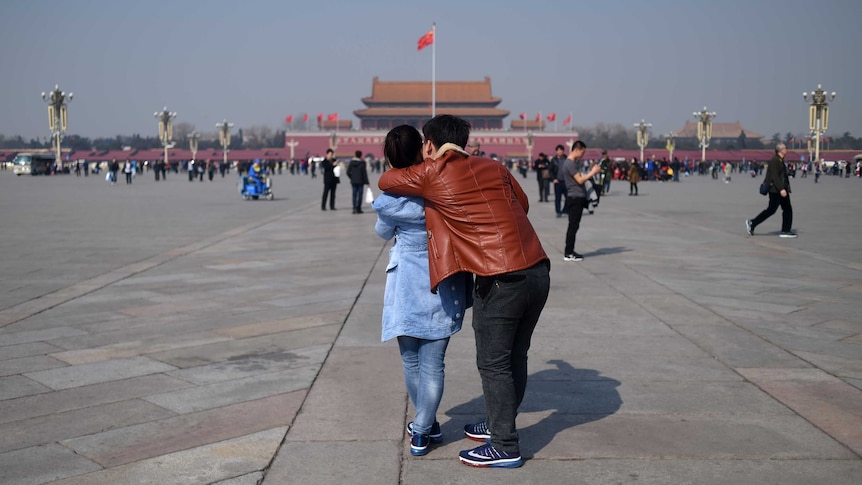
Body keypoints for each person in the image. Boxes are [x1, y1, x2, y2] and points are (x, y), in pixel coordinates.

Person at [379, 114, 549, 469]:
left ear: (429, 144)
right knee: (516, 355)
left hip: (500, 277)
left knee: (494, 363)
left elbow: (387, 179)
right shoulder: (496, 166)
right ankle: (496, 423)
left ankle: (504, 444)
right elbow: (524, 204)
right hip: (537, 269)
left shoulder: (434, 172)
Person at [372, 125, 471, 457]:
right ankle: (424, 428)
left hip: (405, 285)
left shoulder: (389, 201)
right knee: (433, 365)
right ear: (423, 149)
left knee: (411, 363)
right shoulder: (440, 190)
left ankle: (423, 427)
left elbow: (382, 232)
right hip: (440, 280)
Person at [562, 141, 602, 261]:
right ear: (576, 150)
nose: (583, 155)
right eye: (582, 152)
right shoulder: (570, 164)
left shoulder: (572, 163)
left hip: (575, 197)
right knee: (573, 226)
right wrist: (593, 172)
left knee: (574, 225)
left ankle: (570, 251)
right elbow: (579, 180)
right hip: (575, 197)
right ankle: (569, 252)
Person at [746, 143, 796, 238]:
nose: (786, 150)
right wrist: (781, 189)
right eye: (785, 148)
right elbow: (774, 176)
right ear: (780, 150)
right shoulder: (775, 161)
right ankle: (752, 223)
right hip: (776, 190)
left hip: (780, 189)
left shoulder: (780, 160)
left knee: (786, 209)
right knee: (773, 210)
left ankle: (785, 230)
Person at [550, 145, 568, 217]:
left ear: (563, 151)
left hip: (566, 182)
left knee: (568, 197)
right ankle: (558, 211)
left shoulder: (567, 159)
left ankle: (565, 210)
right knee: (558, 198)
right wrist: (553, 179)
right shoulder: (553, 160)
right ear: (556, 151)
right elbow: (550, 171)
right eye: (558, 150)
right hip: (558, 182)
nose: (560, 152)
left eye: (561, 150)